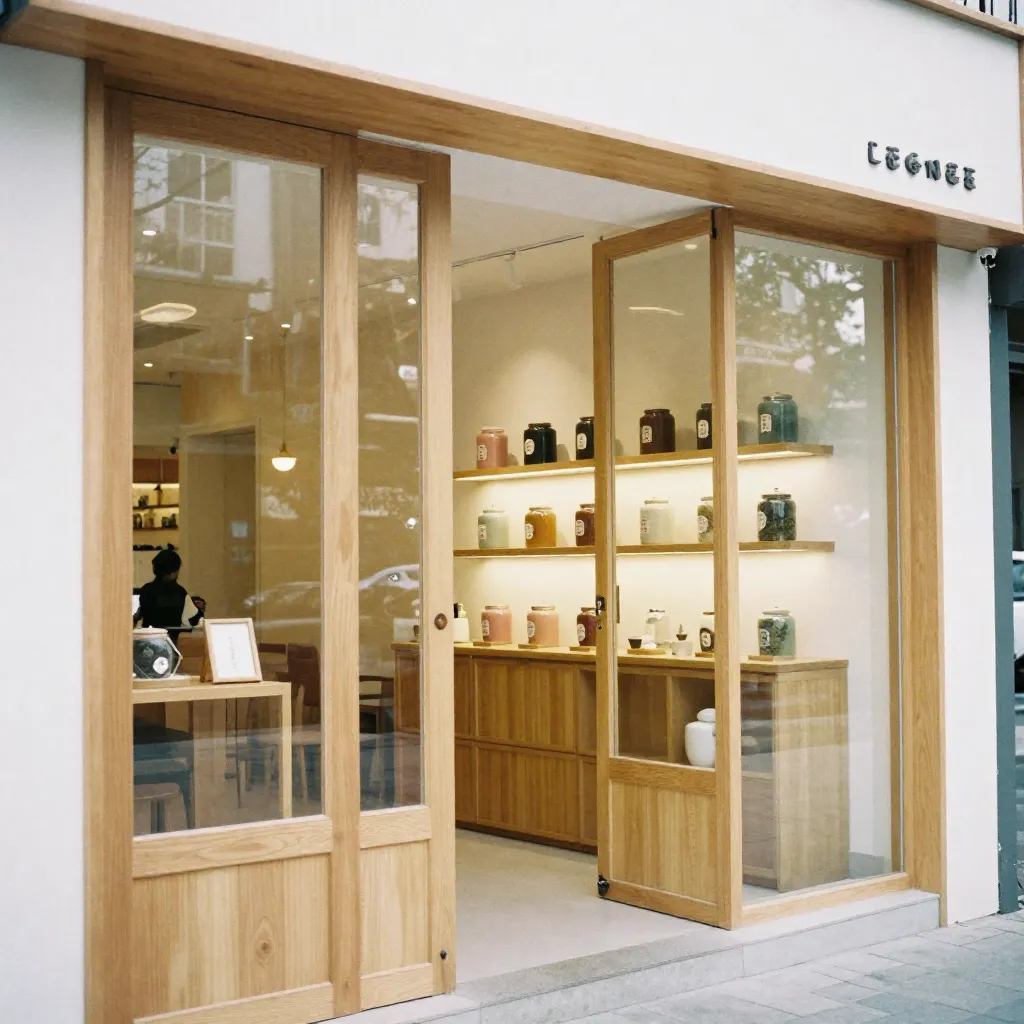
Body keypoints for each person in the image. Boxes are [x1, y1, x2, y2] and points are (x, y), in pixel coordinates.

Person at [133, 549, 206, 640]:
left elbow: (138, 618)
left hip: (147, 643)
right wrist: (200, 610)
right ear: (173, 573)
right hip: (171, 645)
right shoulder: (181, 593)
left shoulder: (145, 590)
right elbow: (195, 622)